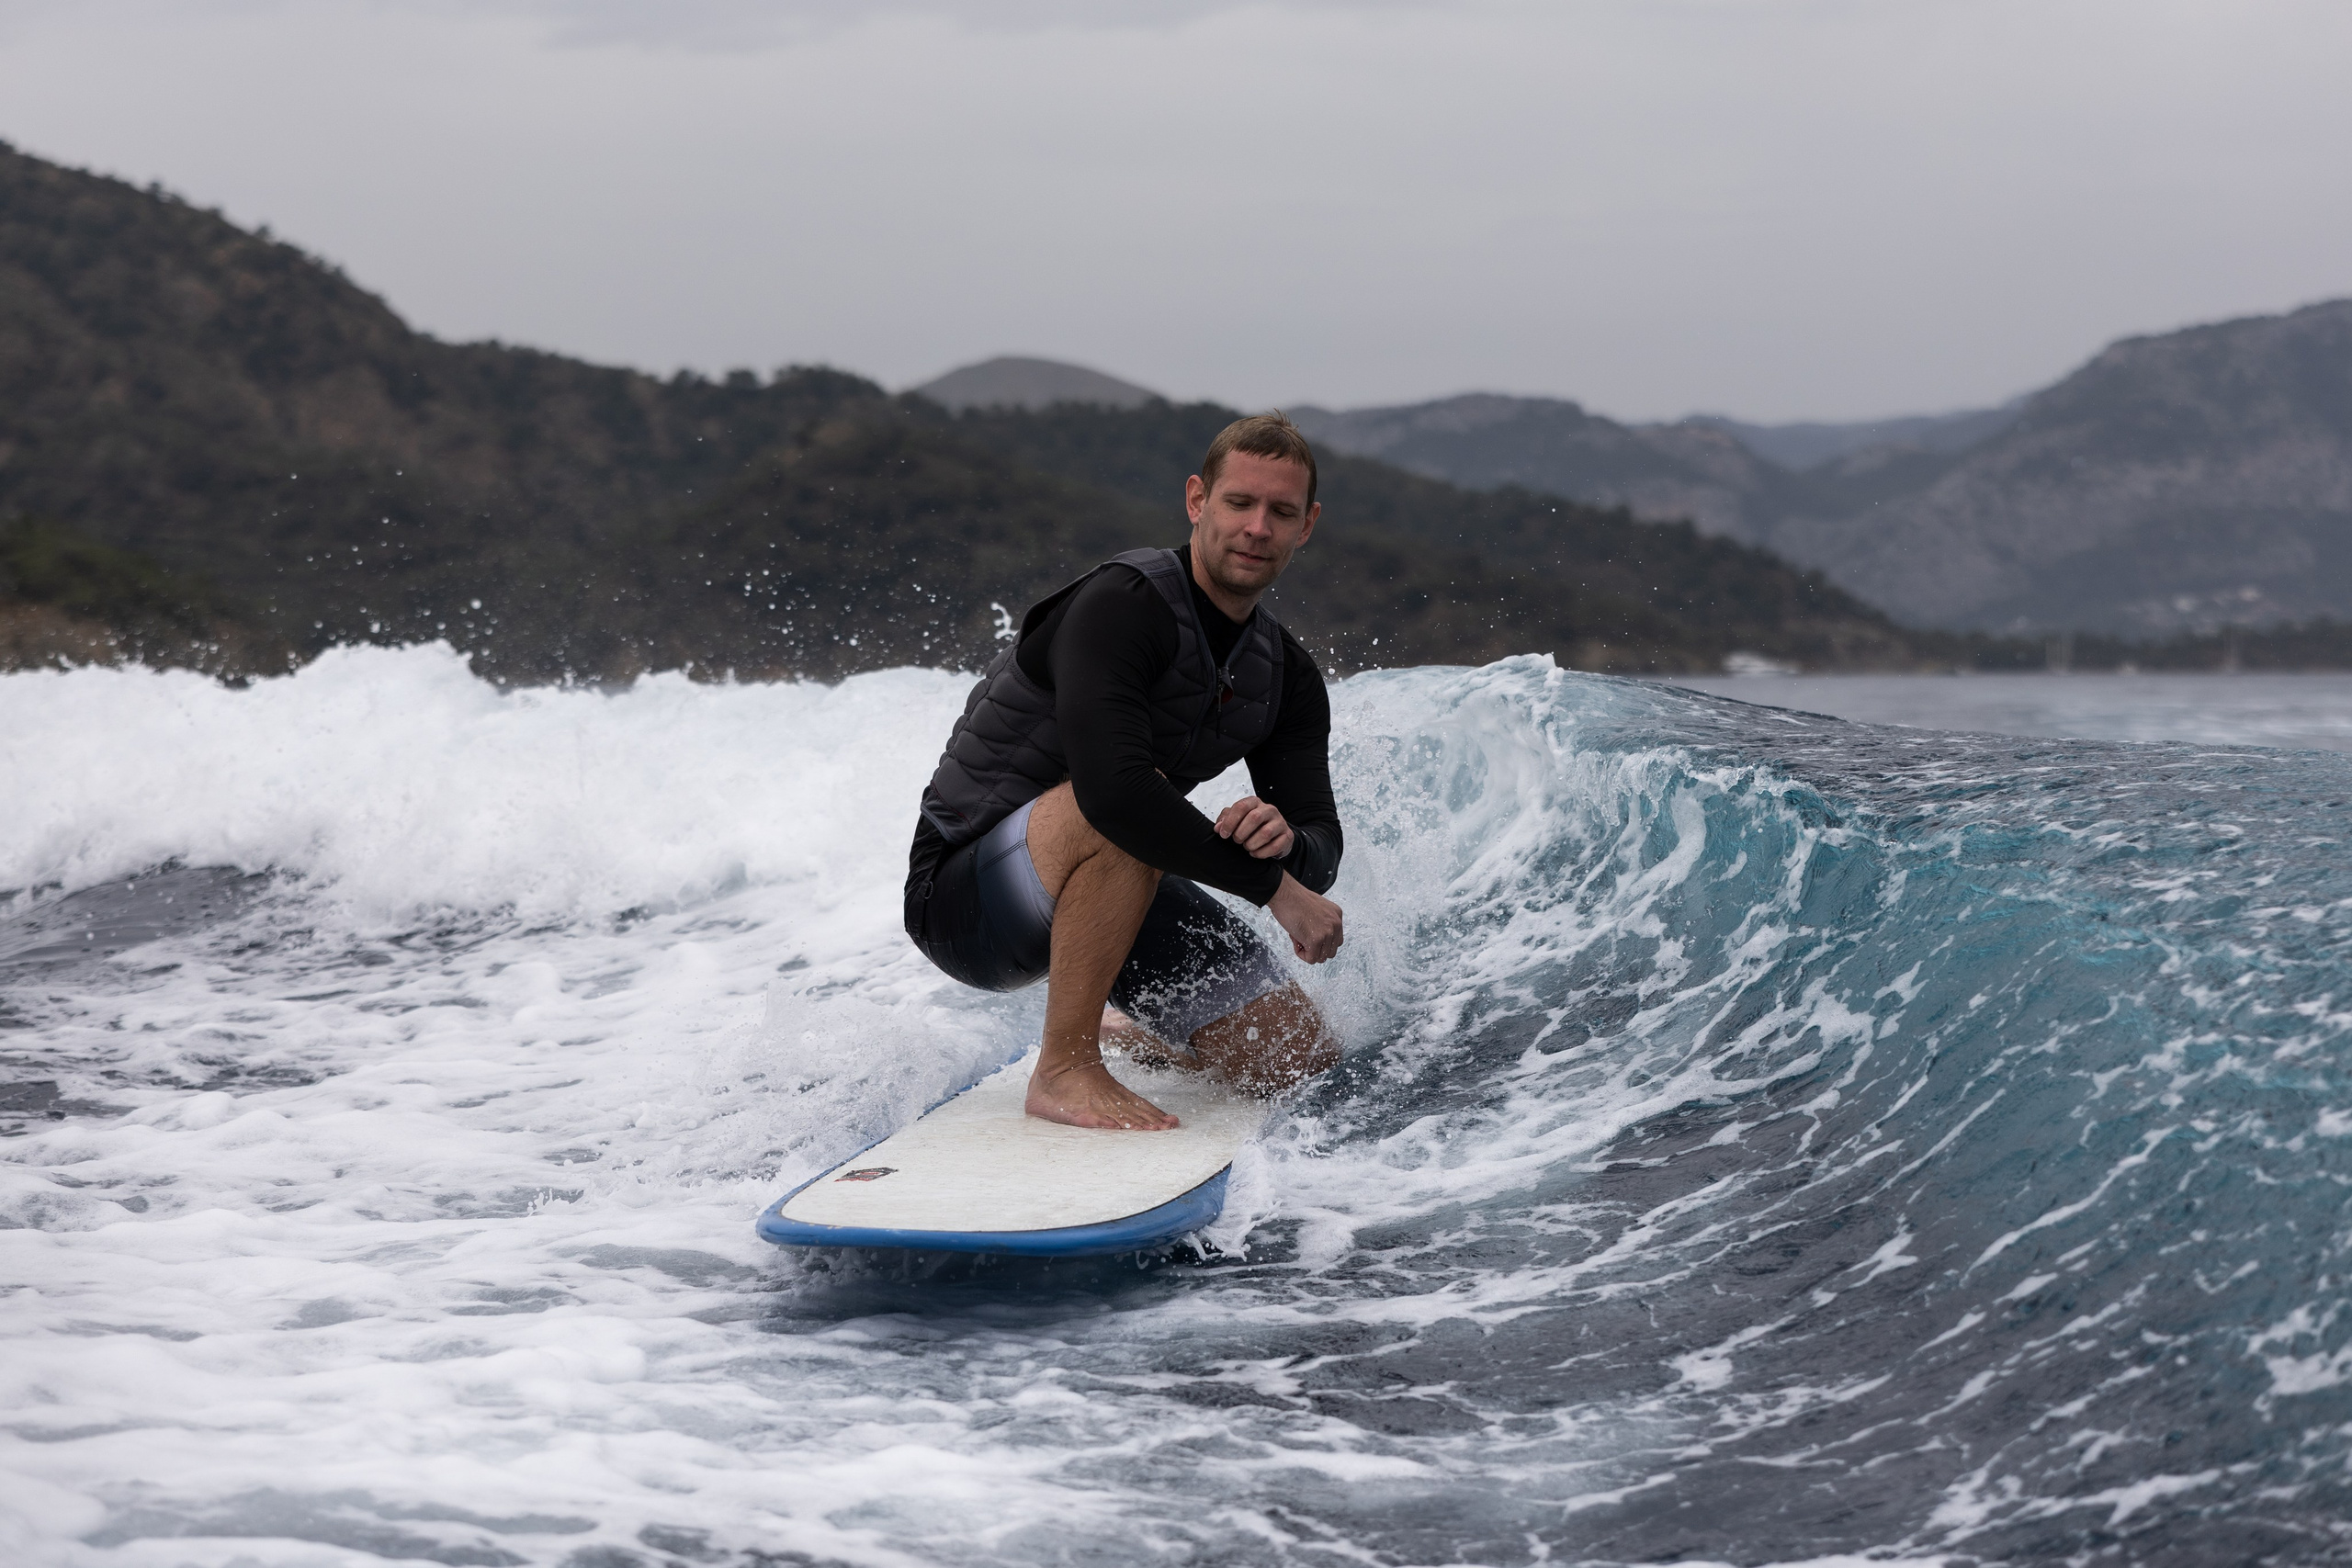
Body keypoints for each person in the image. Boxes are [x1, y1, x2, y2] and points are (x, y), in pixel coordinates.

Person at [903, 412, 1346, 1131]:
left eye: (1281, 512)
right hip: (965, 898)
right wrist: (1272, 888)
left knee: (1296, 1057)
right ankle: (1064, 1069)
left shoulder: (1286, 675)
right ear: (1198, 501)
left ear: (1307, 525)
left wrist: (1285, 843)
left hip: (1109, 886)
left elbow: (1320, 848)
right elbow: (1113, 795)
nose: (1258, 527)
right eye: (1240, 502)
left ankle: (1127, 1030)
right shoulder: (1123, 604)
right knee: (1124, 807)